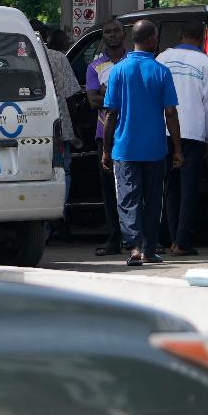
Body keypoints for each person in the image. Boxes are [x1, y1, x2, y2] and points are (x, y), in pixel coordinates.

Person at [99, 19, 182, 266]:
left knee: (127, 198)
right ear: (152, 40)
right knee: (153, 199)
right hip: (155, 148)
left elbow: (110, 114)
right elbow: (171, 113)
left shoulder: (118, 71)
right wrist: (177, 149)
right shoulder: (161, 71)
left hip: (124, 148)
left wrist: (105, 150)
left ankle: (134, 247)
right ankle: (149, 249)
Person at [159, 23, 208, 255]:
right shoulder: (207, 64)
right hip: (193, 133)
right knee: (189, 188)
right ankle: (182, 242)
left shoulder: (163, 58)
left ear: (181, 35)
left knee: (169, 186)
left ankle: (172, 236)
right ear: (202, 37)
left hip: (164, 129)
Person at [84, 21, 129, 255]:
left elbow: (137, 95)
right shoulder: (95, 66)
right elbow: (92, 101)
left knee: (134, 188)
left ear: (125, 34)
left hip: (132, 132)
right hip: (106, 135)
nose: (112, 35)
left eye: (116, 31)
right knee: (109, 190)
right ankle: (114, 237)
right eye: (107, 32)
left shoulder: (133, 62)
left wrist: (107, 93)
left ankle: (136, 239)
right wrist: (122, 97)